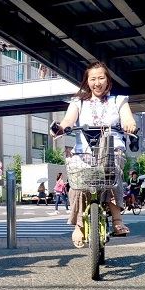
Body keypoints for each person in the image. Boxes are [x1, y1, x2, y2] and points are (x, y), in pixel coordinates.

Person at [52, 61, 137, 247]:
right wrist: (60, 128)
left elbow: (128, 118)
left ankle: (117, 220)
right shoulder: (78, 102)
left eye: (101, 78)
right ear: (87, 81)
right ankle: (79, 225)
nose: (97, 83)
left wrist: (129, 124)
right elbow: (68, 120)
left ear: (108, 80)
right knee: (77, 182)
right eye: (93, 79)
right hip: (83, 151)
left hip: (112, 148)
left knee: (112, 173)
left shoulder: (119, 100)